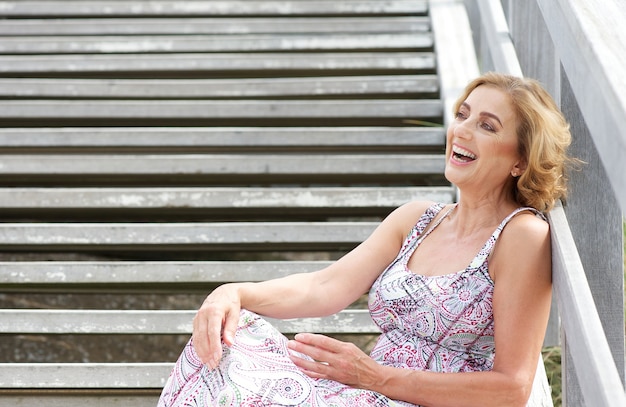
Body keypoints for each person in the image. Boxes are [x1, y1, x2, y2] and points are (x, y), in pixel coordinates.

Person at [157, 72, 573, 407]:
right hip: (370, 391)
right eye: (462, 115)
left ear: (520, 159)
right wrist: (233, 292)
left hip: (427, 398)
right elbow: (324, 287)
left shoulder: (521, 236)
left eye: (486, 125)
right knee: (230, 334)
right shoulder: (417, 219)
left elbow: (512, 389)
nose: (462, 130)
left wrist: (376, 377)